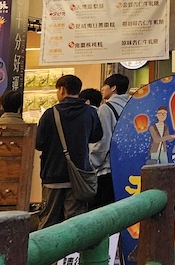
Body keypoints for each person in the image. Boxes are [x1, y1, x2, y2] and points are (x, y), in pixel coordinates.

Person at [33, 74, 103, 231]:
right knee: (75, 224)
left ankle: (48, 255)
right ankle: (74, 254)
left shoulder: (50, 114)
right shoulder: (89, 112)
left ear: (62, 90)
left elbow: (39, 143)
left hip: (52, 174)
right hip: (78, 176)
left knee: (48, 222)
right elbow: (96, 136)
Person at [91, 73, 131, 207]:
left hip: (108, 169)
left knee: (105, 212)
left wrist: (93, 162)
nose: (102, 89)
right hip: (128, 165)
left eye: (105, 86)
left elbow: (104, 139)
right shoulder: (133, 105)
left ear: (113, 88)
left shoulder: (105, 109)